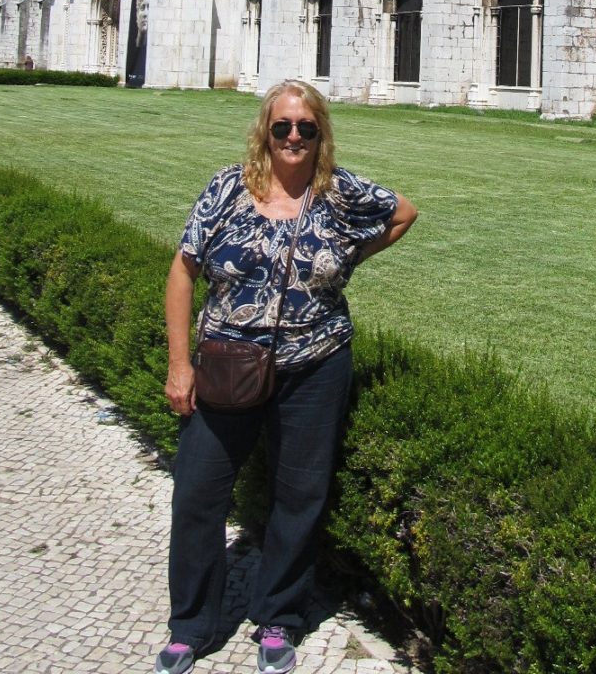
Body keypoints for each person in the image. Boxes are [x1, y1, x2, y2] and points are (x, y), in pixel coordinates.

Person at [156, 79, 418, 674]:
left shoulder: (339, 192)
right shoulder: (228, 188)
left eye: (306, 127)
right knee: (197, 493)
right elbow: (182, 272)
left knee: (299, 495)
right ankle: (191, 625)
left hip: (317, 364)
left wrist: (349, 256)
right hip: (227, 365)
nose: (294, 136)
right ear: (265, 133)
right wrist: (179, 365)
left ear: (320, 134)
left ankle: (279, 617)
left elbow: (404, 213)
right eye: (283, 127)